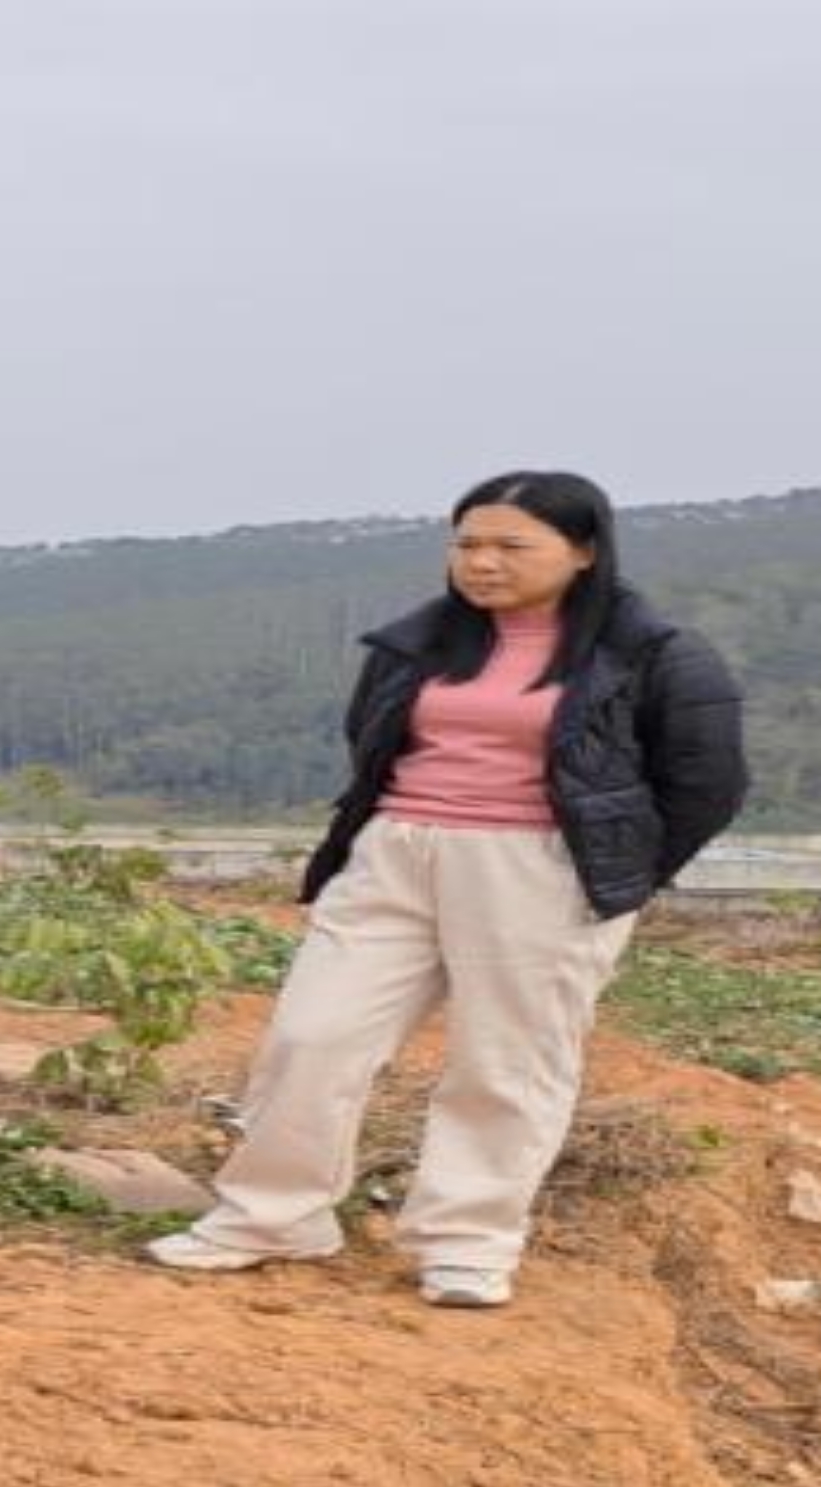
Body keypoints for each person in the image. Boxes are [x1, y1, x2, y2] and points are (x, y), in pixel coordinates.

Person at [148, 471, 748, 1308]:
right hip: (393, 853)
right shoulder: (420, 643)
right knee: (311, 1036)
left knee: (507, 1061)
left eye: (511, 546)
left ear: (581, 552)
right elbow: (375, 742)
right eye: (467, 544)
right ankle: (273, 1216)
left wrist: (621, 873)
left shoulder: (656, 654)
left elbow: (707, 781)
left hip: (540, 867)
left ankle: (467, 1241)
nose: (482, 563)